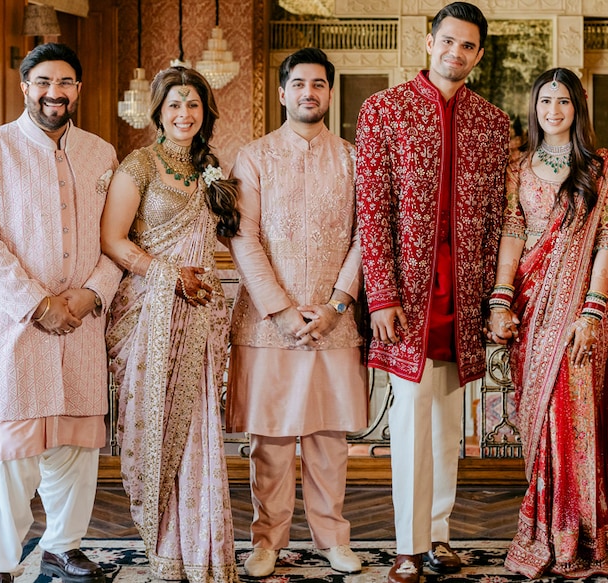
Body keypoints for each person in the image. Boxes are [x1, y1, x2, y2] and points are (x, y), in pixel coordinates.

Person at [355, 3, 509, 582]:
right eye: (448, 42)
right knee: (413, 418)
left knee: (449, 422)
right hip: (410, 298)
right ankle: (408, 545)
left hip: (464, 295)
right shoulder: (384, 111)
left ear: (479, 54)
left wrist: (497, 298)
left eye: (468, 46)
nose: (456, 53)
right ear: (428, 42)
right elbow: (371, 211)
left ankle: (438, 533)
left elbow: (499, 217)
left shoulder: (492, 123)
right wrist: (382, 295)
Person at [0, 42, 117, 583]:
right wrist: (37, 304)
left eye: (66, 82)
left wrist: (92, 293)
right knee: (10, 454)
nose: (55, 92)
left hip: (81, 323)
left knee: (76, 448)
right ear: (25, 86)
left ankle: (62, 546)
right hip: (14, 328)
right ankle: (0, 562)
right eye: (44, 81)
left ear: (78, 88)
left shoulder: (102, 153)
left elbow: (119, 240)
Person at [227, 47, 367, 578]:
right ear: (283, 92)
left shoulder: (353, 158)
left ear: (330, 93)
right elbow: (244, 238)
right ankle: (268, 541)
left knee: (329, 438)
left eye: (319, 84)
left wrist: (337, 304)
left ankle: (333, 537)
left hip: (335, 321)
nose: (309, 92)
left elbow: (365, 237)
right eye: (299, 84)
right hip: (270, 325)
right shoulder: (254, 156)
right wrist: (281, 310)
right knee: (272, 438)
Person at [100, 66, 241, 583]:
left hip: (199, 315)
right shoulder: (138, 165)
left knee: (199, 427)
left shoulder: (209, 168)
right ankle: (165, 549)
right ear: (158, 111)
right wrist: (167, 276)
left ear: (205, 114)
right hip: (149, 314)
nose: (185, 115)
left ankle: (202, 551)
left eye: (194, 106)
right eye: (175, 105)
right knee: (157, 425)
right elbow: (114, 240)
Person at [488, 67, 608, 578]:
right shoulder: (518, 168)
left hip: (582, 311)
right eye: (545, 101)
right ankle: (541, 532)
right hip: (533, 304)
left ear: (578, 108)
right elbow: (512, 233)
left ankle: (581, 538)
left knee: (576, 418)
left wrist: (592, 309)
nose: (554, 110)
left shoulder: (604, 166)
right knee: (541, 421)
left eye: (564, 101)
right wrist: (502, 301)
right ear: (534, 107)